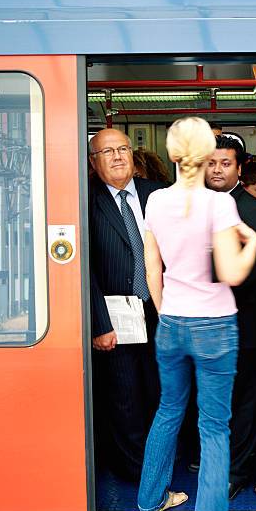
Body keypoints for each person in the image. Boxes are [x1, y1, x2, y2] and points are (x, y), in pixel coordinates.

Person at [137, 116, 256, 511]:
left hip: (171, 322)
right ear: (208, 156)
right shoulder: (220, 206)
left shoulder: (154, 203)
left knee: (169, 409)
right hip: (214, 328)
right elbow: (232, 273)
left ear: (171, 154)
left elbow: (153, 269)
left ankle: (150, 499)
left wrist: (168, 311)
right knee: (214, 429)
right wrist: (253, 239)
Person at [88, 128, 162, 481]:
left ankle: (159, 461)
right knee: (125, 398)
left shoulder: (156, 195)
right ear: (93, 162)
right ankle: (138, 474)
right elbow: (85, 271)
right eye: (107, 152)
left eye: (123, 149)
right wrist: (99, 324)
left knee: (159, 391)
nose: (118, 156)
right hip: (115, 317)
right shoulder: (86, 200)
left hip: (159, 312)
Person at [206, 135, 256, 500]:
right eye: (211, 163)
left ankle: (236, 471)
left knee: (242, 402)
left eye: (225, 163)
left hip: (241, 325)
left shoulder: (254, 211)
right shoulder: (191, 204)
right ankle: (213, 461)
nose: (217, 169)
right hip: (198, 324)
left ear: (239, 168)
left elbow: (247, 275)